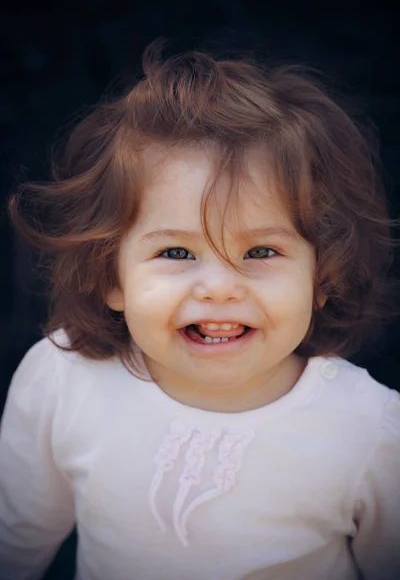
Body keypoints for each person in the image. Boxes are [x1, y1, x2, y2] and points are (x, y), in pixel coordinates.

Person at [1, 40, 400, 580]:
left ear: (321, 276)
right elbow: (16, 541)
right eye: (176, 252)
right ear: (110, 276)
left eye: (261, 252)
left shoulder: (370, 431)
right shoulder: (62, 379)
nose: (217, 288)